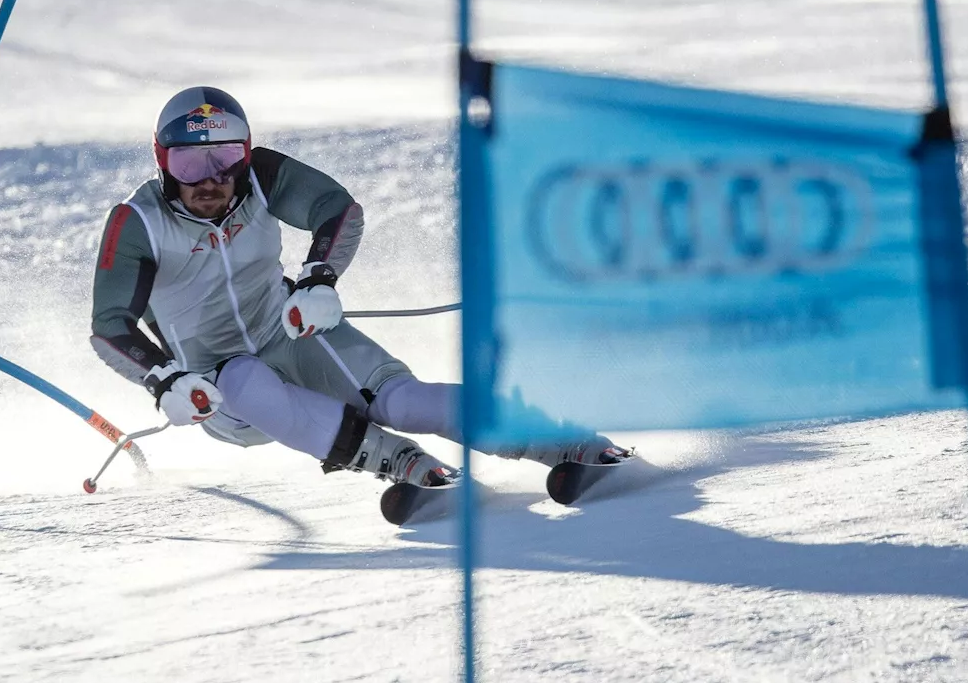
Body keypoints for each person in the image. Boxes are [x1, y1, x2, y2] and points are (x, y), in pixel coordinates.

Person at [90, 86, 627, 489]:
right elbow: (109, 325)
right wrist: (164, 381)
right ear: (163, 161)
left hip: (288, 333)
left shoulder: (259, 178)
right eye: (188, 161)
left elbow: (337, 209)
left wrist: (318, 279)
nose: (209, 179)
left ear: (246, 154)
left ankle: (557, 439)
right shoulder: (138, 222)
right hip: (218, 387)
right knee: (246, 374)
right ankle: (395, 459)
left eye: (225, 158)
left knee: (404, 401)